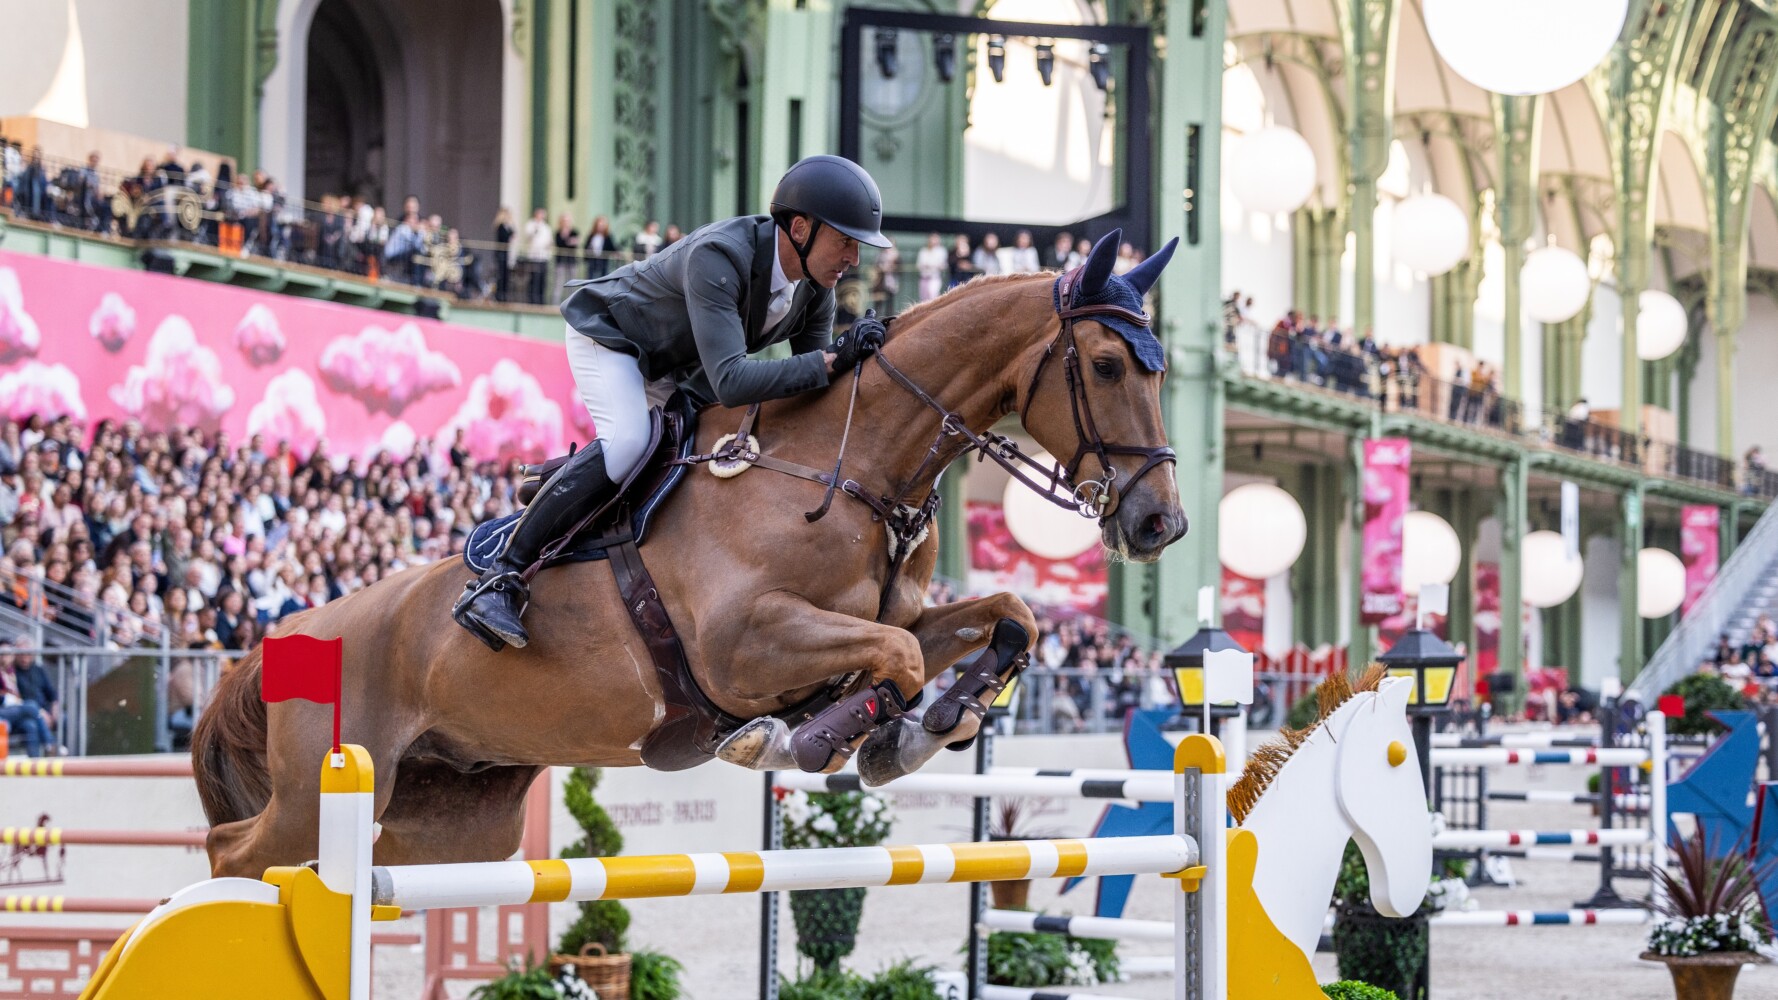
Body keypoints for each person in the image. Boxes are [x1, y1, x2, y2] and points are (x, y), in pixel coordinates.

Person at [453, 155, 897, 762]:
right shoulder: (723, 256)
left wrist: (859, 363)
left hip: (679, 371)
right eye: (846, 242)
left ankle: (569, 479)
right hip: (613, 341)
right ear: (800, 229)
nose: (854, 258)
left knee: (687, 453)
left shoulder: (812, 289)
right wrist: (831, 360)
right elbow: (738, 379)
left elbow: (809, 388)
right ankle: (502, 576)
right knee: (632, 443)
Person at [519, 208, 553, 304]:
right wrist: (536, 229)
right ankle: (532, 299)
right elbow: (528, 237)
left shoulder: (546, 227)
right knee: (534, 279)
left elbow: (549, 240)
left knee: (542, 279)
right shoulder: (530, 224)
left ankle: (541, 299)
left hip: (543, 257)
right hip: (533, 257)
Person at [492, 207, 515, 302]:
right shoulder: (500, 226)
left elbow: (513, 233)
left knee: (505, 274)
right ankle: (499, 294)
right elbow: (505, 237)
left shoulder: (507, 226)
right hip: (501, 254)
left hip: (505, 253)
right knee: (501, 274)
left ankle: (504, 294)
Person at [915, 232, 947, 301]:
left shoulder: (941, 251)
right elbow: (919, 265)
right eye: (932, 238)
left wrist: (934, 266)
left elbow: (943, 265)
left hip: (934, 278)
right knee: (923, 299)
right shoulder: (923, 250)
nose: (933, 241)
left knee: (933, 298)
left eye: (935, 239)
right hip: (923, 278)